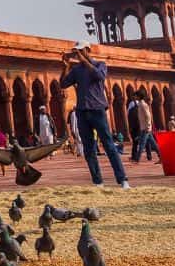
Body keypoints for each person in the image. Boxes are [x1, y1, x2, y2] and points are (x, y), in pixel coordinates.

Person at [61, 41, 130, 189]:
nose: (77, 54)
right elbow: (63, 84)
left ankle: (122, 179)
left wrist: (85, 61)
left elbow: (99, 76)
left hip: (97, 109)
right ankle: (97, 181)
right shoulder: (76, 70)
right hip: (82, 111)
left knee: (109, 145)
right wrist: (66, 66)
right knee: (88, 148)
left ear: (87, 50)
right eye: (76, 52)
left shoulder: (100, 64)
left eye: (80, 51)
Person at [130, 90, 159, 165]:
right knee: (154, 145)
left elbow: (148, 116)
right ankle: (162, 157)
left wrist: (148, 127)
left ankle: (137, 159)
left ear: (139, 96)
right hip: (144, 128)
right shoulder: (140, 104)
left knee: (142, 144)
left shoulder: (143, 105)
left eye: (135, 95)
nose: (134, 97)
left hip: (146, 128)